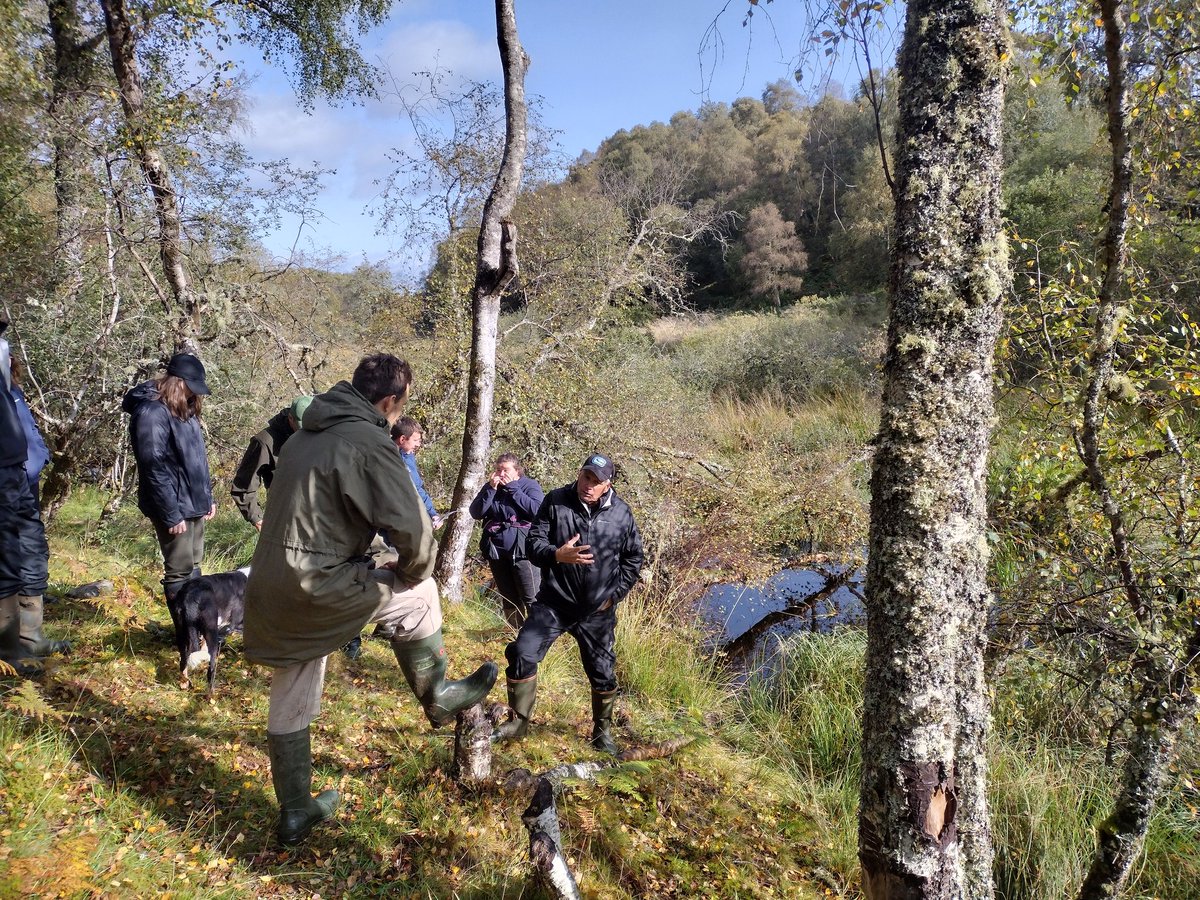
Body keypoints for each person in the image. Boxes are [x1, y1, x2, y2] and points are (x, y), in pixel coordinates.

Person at [243, 353, 497, 846]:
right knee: (420, 593)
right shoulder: (371, 442)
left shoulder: (303, 434)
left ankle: (296, 810)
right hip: (316, 585)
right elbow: (416, 538)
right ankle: (439, 697)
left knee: (294, 677)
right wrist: (405, 571)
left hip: (272, 583)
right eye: (400, 409)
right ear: (388, 402)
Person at [493, 452, 643, 754]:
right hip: (554, 603)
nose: (589, 485)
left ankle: (602, 733)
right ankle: (518, 722)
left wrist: (614, 596)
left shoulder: (621, 513)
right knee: (522, 653)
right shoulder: (556, 501)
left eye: (597, 481)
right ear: (580, 473)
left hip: (596, 612)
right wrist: (556, 554)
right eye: (586, 476)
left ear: (607, 484)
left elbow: (633, 558)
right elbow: (533, 545)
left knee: (603, 672)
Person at [121, 353, 216, 621]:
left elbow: (197, 459)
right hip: (173, 505)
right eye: (192, 387)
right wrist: (170, 512)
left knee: (194, 565)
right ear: (178, 382)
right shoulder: (151, 412)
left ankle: (196, 626)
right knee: (179, 570)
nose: (196, 394)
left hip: (193, 502)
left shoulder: (184, 409)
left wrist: (208, 498)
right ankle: (184, 634)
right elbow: (153, 466)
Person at [0, 322, 67, 672]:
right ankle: (9, 655)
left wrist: (37, 456)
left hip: (23, 482)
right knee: (7, 559)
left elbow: (27, 431)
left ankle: (30, 637)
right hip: (8, 481)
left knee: (30, 554)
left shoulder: (12, 390)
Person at [469, 453, 544, 627]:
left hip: (524, 552)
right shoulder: (491, 488)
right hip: (497, 551)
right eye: (498, 469)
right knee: (508, 596)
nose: (501, 474)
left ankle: (538, 636)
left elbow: (538, 511)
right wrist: (490, 490)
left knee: (531, 595)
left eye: (505, 470)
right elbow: (476, 512)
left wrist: (513, 488)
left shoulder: (529, 485)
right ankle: (514, 633)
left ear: (517, 471)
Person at [230, 395, 312, 530]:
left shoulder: (320, 433)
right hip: (284, 518)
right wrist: (256, 518)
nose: (306, 432)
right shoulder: (264, 442)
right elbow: (243, 485)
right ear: (290, 418)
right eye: (302, 427)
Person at [9, 357, 51, 504]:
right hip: (7, 479)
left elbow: (31, 424)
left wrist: (42, 454)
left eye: (8, 356)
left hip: (29, 472)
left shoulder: (14, 390)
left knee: (31, 524)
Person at [392, 417, 442, 529]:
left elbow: (417, 488)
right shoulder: (384, 457)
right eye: (415, 440)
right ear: (402, 439)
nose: (418, 444)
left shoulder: (408, 457)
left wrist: (432, 514)